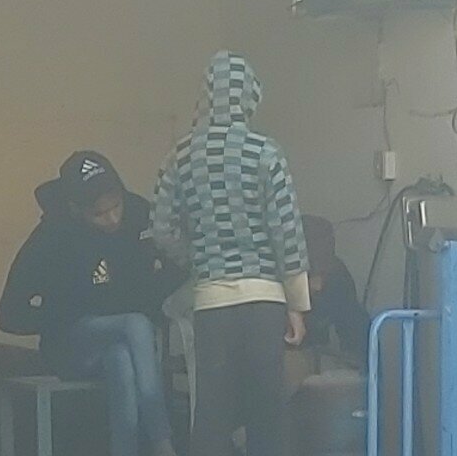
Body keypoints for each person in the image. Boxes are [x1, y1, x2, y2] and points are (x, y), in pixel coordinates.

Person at [151, 52, 310, 456]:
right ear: (249, 96)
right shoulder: (265, 153)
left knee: (212, 414)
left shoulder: (181, 155)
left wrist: (198, 259)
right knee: (266, 412)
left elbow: (162, 227)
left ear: (207, 96)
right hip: (264, 302)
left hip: (211, 302)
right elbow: (286, 232)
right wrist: (297, 305)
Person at [0, 151, 183, 456]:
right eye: (99, 213)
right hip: (70, 346)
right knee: (135, 323)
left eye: (116, 206)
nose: (112, 218)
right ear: (75, 209)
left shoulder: (137, 216)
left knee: (121, 357)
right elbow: (8, 315)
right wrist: (62, 314)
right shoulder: (50, 237)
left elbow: (168, 274)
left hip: (123, 346)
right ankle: (163, 443)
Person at [301, 215, 370, 369]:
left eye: (328, 239)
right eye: (316, 240)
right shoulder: (285, 271)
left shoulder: (337, 271)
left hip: (320, 351)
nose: (326, 245)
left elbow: (349, 318)